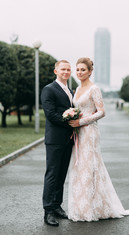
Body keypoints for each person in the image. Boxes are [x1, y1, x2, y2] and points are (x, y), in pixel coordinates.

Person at [68, 58, 129, 222]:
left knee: (90, 167)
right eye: (78, 70)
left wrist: (81, 121)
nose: (80, 72)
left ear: (90, 71)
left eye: (83, 70)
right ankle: (80, 206)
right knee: (79, 166)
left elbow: (101, 112)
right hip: (78, 133)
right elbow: (76, 108)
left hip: (89, 132)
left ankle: (93, 207)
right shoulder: (76, 89)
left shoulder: (94, 89)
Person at [41, 60, 74, 226]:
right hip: (54, 139)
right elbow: (51, 114)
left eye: (68, 69)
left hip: (69, 139)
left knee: (62, 175)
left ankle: (57, 205)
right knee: (52, 175)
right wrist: (69, 122)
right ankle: (48, 211)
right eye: (63, 69)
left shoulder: (70, 90)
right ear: (56, 71)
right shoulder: (49, 89)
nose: (66, 72)